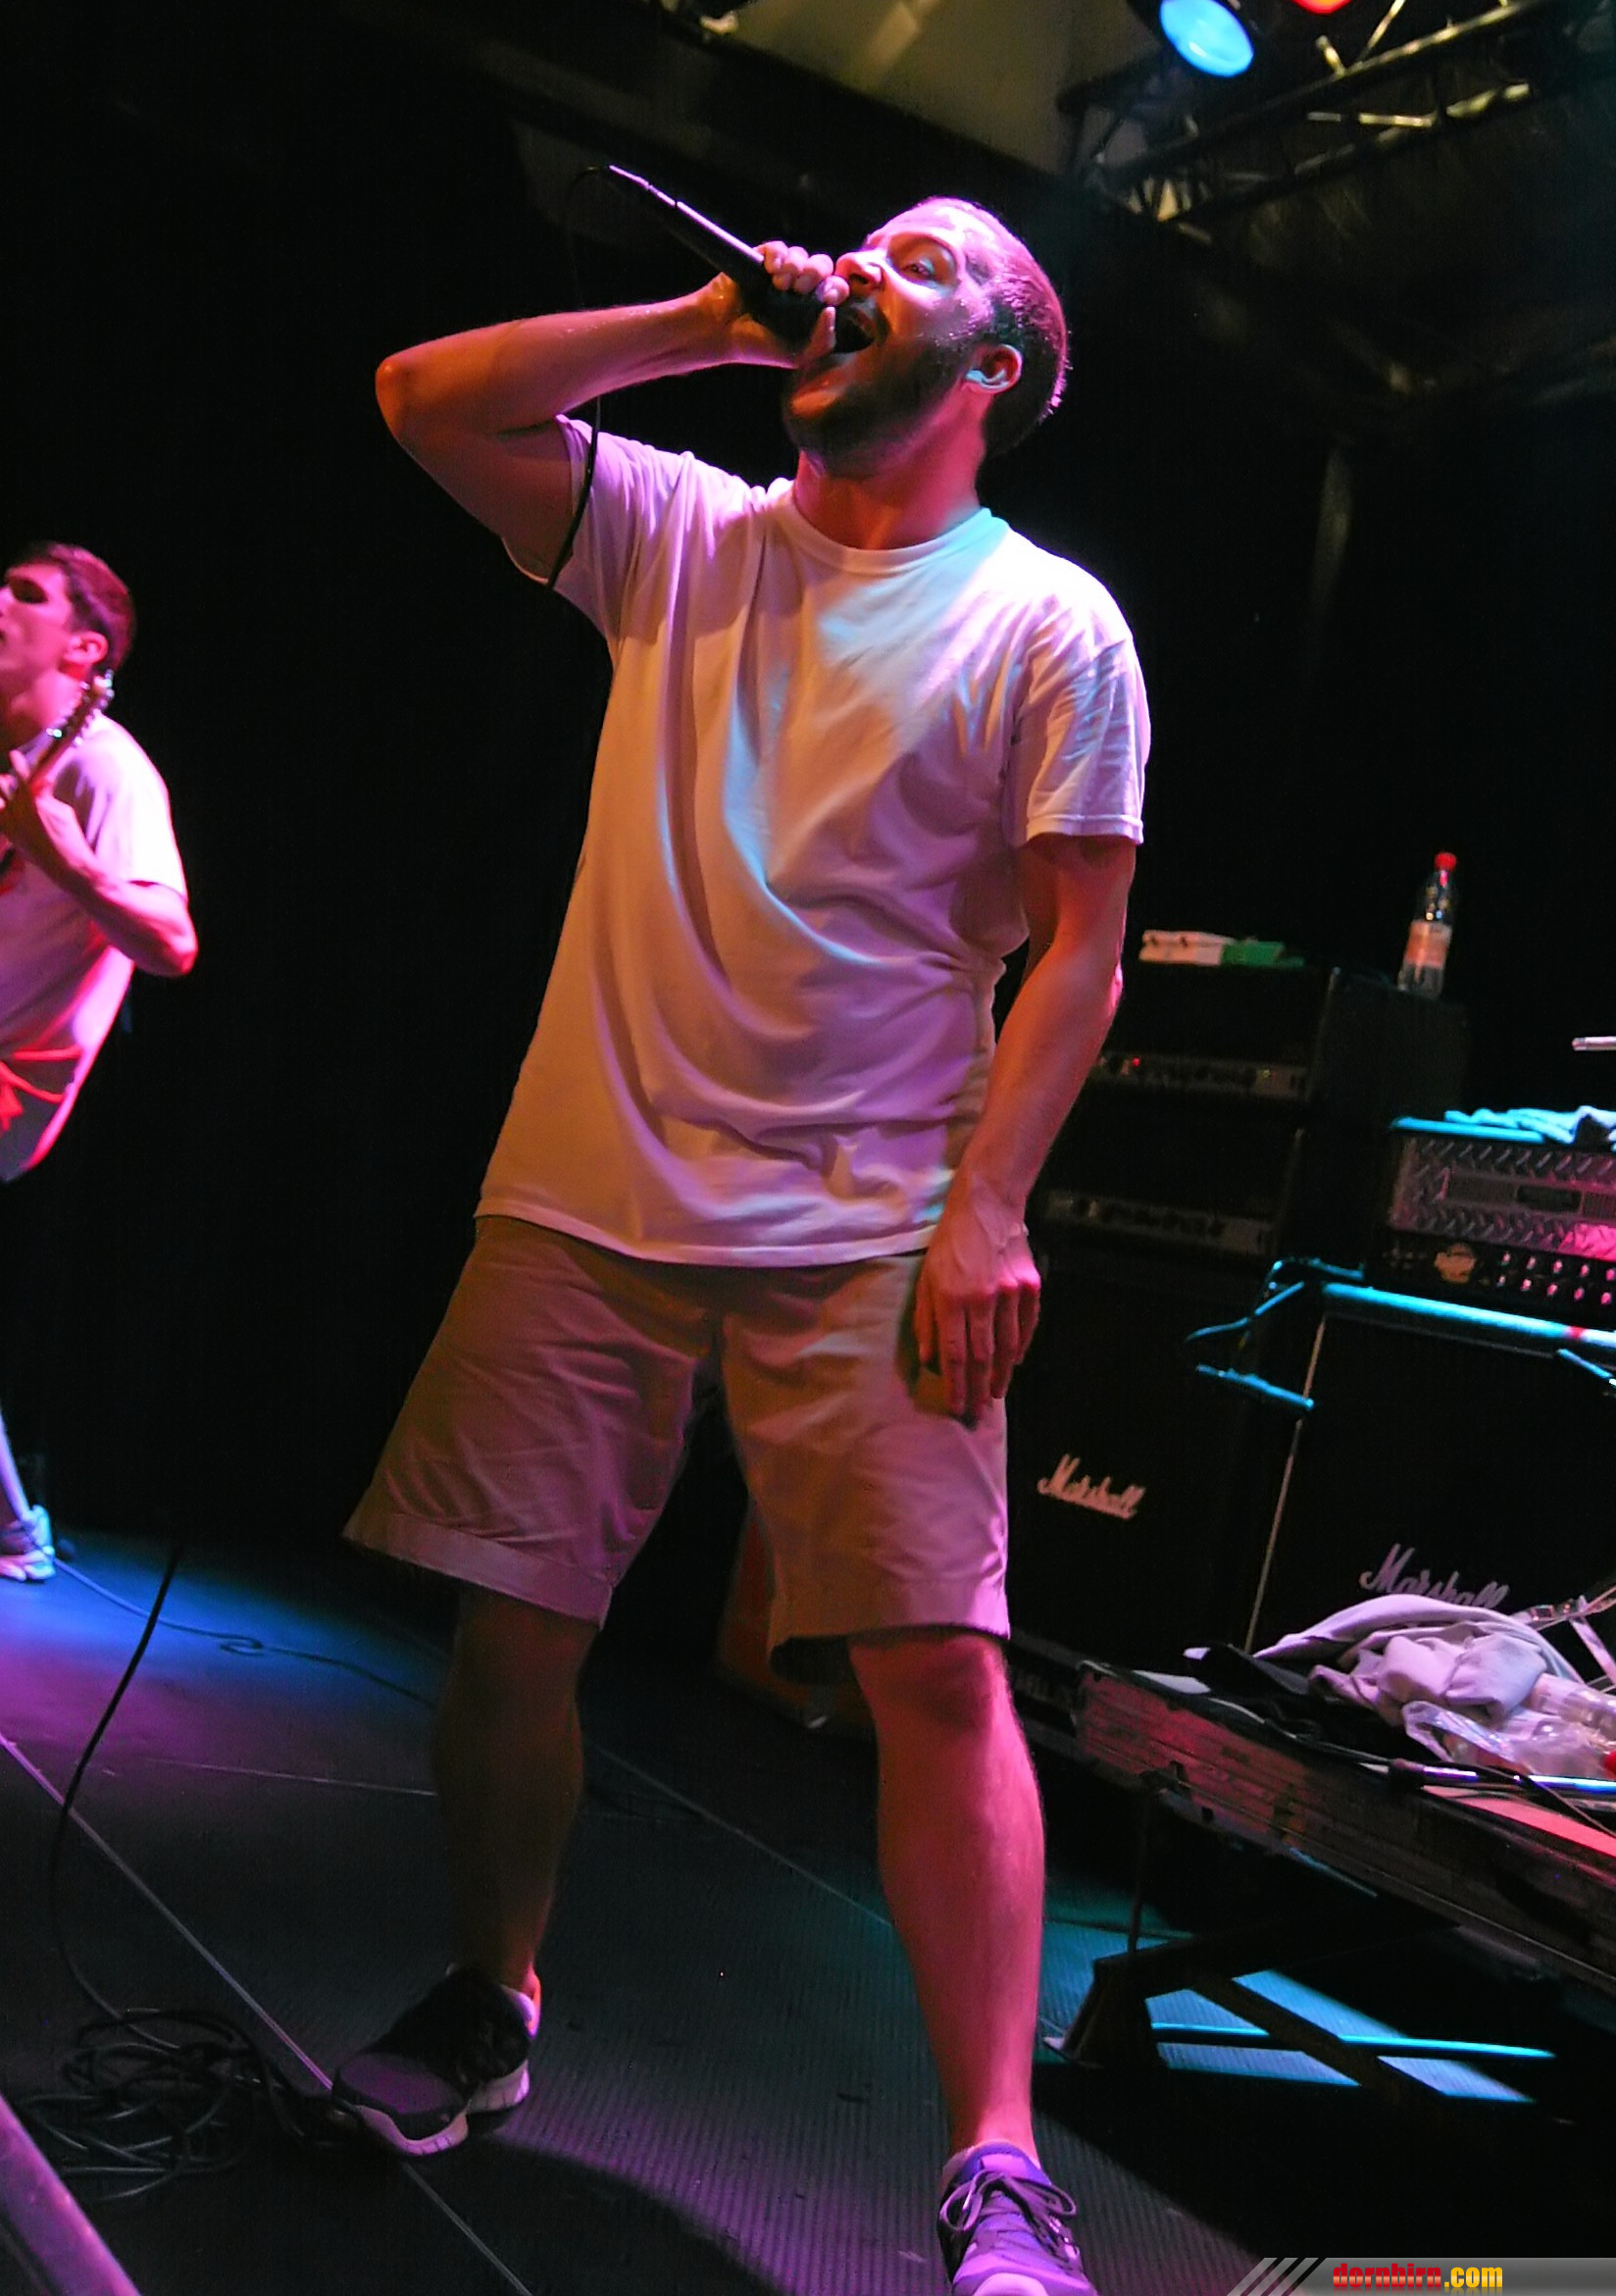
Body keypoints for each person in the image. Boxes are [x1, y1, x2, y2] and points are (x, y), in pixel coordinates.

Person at [338, 198, 1148, 2296]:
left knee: (936, 1670)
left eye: (922, 261)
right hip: (587, 1178)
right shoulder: (685, 530)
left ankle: (997, 2169)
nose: (861, 265)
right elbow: (422, 399)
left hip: (871, 1218)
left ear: (993, 369)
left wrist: (988, 1209)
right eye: (858, 242)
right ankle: (491, 1999)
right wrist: (704, 320)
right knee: (510, 1628)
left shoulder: (1046, 620)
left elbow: (1082, 948)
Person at [0, 543, 196, 1582]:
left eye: (25, 594)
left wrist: (69, 860)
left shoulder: (106, 768)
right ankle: (12, 1529)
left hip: (13, 1075)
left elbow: (170, 942)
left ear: (85, 650)